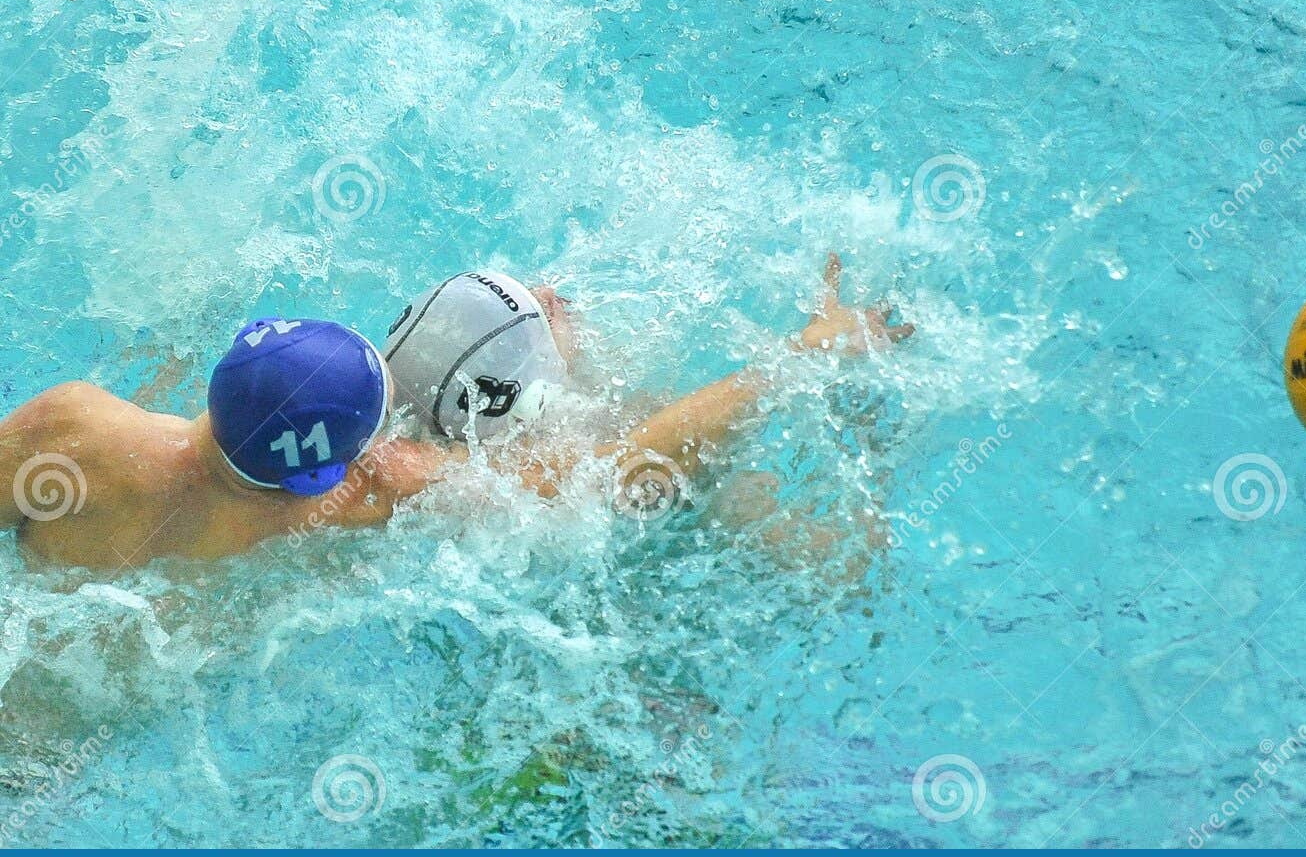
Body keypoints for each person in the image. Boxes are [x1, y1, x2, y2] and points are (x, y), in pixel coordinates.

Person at [0, 257, 912, 570]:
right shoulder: (350, 504)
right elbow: (615, 473)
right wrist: (799, 355)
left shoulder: (72, 430)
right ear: (329, 471)